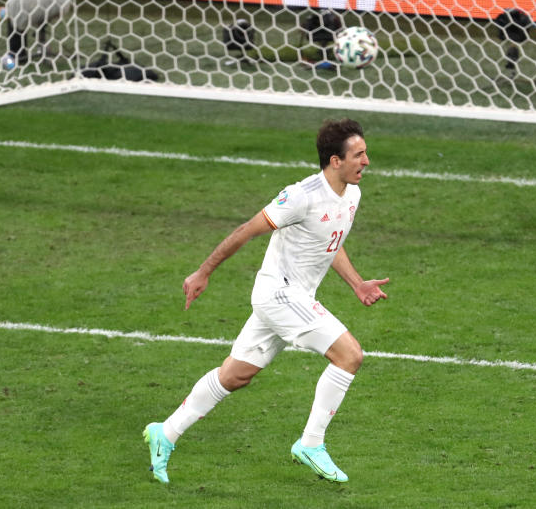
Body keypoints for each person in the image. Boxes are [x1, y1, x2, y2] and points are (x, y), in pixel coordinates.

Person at [144, 118, 388, 484]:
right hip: (279, 294)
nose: (366, 161)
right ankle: (311, 443)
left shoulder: (351, 194)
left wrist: (356, 283)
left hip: (295, 297)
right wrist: (203, 271)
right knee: (349, 355)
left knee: (236, 374)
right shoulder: (300, 196)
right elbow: (245, 231)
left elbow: (329, 241)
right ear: (335, 161)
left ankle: (166, 432)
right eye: (359, 154)